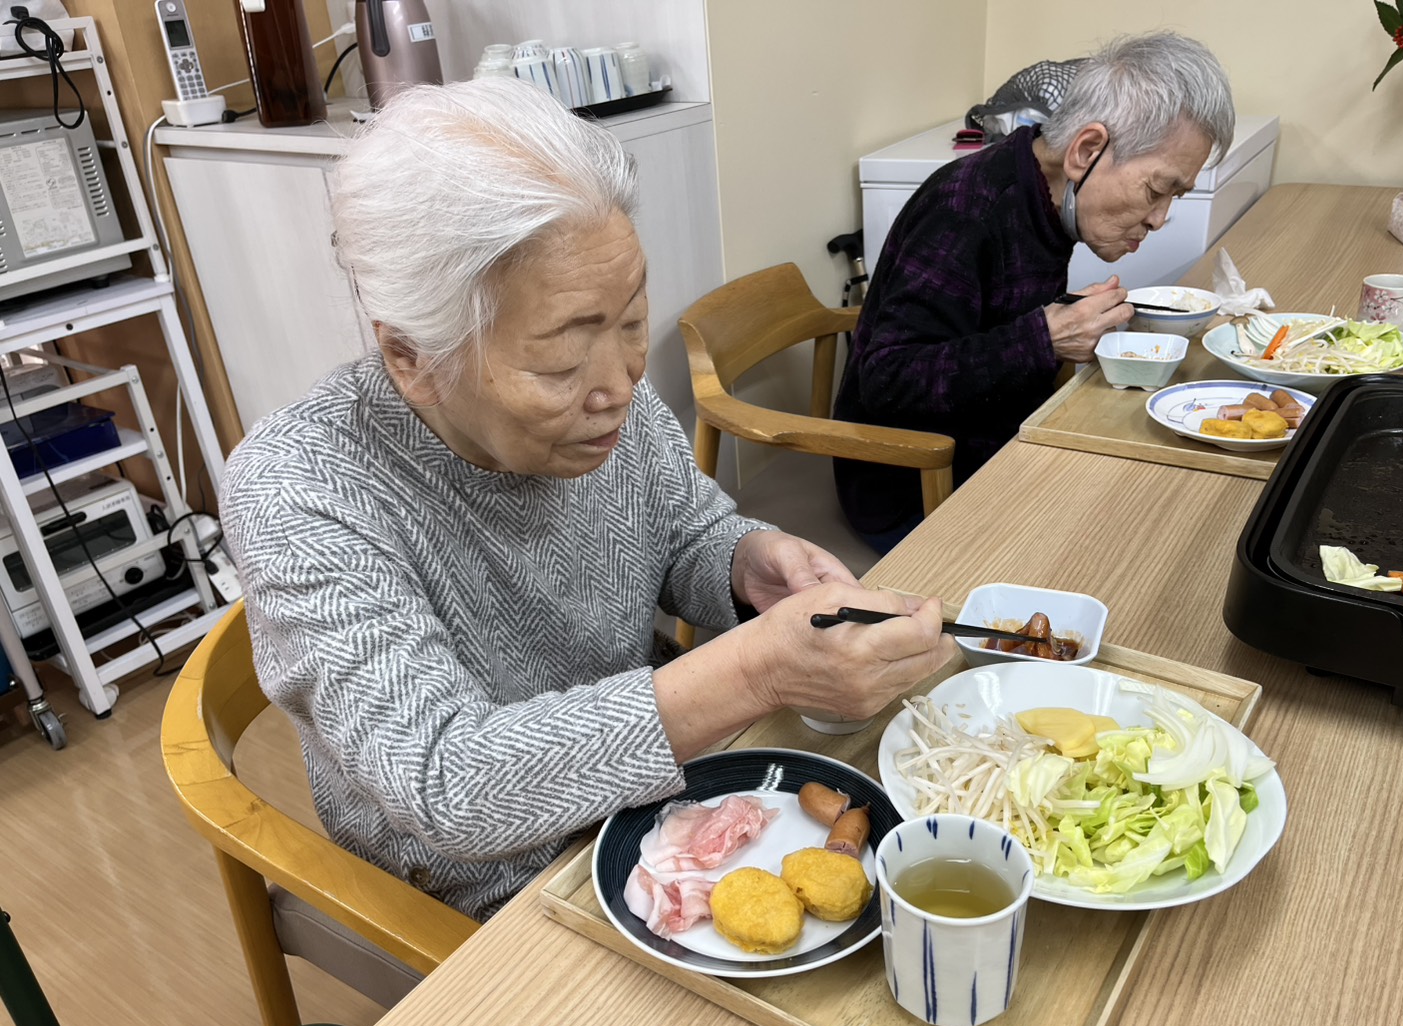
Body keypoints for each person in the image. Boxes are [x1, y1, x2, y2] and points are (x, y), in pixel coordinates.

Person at [219, 78, 956, 922]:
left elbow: (683, 527)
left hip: (658, 799)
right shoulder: (301, 485)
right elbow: (445, 784)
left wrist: (745, 561)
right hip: (493, 881)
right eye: (560, 362)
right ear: (411, 358)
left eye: (632, 320)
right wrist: (756, 668)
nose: (619, 385)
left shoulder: (607, 398)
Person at [833, 32, 1235, 552]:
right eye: (1157, 190)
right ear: (1086, 151)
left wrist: (1063, 322)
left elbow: (987, 318)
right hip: (919, 485)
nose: (1159, 218)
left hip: (1006, 440)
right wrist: (1043, 339)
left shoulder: (1042, 191)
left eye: (1174, 196)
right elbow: (888, 380)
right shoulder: (965, 211)